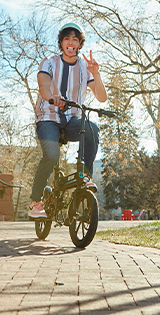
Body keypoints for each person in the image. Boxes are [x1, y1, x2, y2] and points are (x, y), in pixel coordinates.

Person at [28, 22, 107, 219]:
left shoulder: (84, 66)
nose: (70, 43)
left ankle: (85, 174)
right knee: (52, 155)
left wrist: (96, 74)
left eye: (75, 39)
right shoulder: (49, 62)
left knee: (92, 129)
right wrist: (51, 98)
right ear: (61, 42)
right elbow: (43, 84)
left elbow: (102, 97)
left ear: (80, 44)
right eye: (67, 39)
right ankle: (35, 202)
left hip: (72, 119)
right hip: (48, 117)